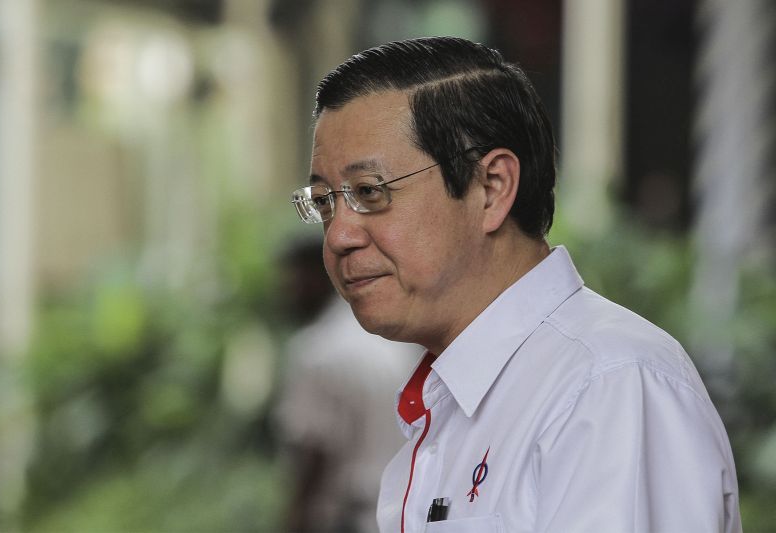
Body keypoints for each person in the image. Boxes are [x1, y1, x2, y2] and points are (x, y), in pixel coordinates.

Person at [290, 37, 741, 533]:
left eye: (369, 191)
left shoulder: (607, 385)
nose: (339, 236)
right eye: (325, 201)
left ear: (492, 188)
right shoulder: (456, 396)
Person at [276, 238, 420, 532]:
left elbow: (315, 453)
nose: (287, 290)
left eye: (295, 279)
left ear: (320, 276)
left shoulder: (317, 350)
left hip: (350, 517)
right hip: (404, 511)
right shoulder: (394, 338)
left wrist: (296, 519)